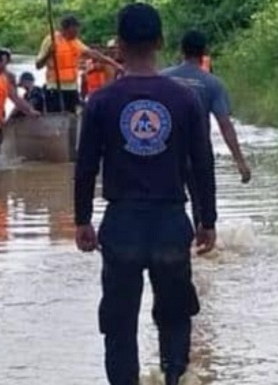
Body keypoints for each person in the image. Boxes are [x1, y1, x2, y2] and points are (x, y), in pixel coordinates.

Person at [74, 4, 217, 385]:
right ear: (159, 41)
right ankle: (174, 378)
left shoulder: (101, 102)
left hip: (121, 226)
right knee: (174, 315)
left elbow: (85, 166)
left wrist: (82, 220)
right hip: (171, 222)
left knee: (119, 324)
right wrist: (208, 220)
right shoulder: (186, 99)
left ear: (118, 44)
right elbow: (201, 164)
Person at [161, 30, 251, 228]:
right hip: (199, 153)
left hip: (166, 153)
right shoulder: (213, 84)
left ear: (181, 51)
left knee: (166, 205)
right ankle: (203, 247)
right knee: (203, 211)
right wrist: (240, 162)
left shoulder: (162, 79)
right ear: (205, 52)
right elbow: (225, 126)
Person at [34, 15, 123, 113]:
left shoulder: (75, 42)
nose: (76, 34)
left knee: (73, 117)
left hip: (72, 88)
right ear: (65, 29)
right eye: (73, 32)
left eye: (77, 31)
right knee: (56, 117)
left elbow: (94, 54)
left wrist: (116, 65)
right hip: (54, 88)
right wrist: (49, 53)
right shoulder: (51, 40)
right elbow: (38, 65)